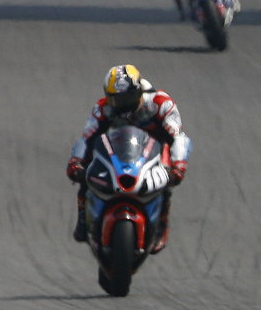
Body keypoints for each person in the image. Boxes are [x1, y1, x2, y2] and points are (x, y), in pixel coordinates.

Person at [66, 64, 191, 250]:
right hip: (119, 148)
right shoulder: (103, 108)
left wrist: (178, 165)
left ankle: (161, 224)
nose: (121, 105)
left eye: (127, 98)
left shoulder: (160, 103)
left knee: (166, 179)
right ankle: (83, 216)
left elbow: (179, 137)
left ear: (139, 91)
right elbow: (86, 137)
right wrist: (76, 161)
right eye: (115, 100)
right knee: (88, 171)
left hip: (156, 150)